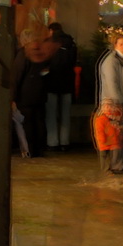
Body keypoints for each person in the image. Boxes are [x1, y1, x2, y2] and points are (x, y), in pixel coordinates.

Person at [96, 33, 123, 173]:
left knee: (122, 134)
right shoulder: (112, 61)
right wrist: (118, 103)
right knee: (115, 134)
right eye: (121, 44)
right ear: (115, 45)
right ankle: (115, 164)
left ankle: (121, 161)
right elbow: (112, 83)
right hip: (115, 104)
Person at [11, 30, 52, 158]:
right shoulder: (42, 53)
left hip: (25, 95)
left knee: (27, 123)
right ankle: (39, 149)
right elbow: (46, 73)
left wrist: (12, 97)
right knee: (39, 122)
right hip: (40, 95)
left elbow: (16, 76)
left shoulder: (24, 54)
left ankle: (30, 150)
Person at [46, 22, 78, 152]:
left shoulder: (48, 43)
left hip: (51, 83)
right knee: (65, 114)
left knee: (51, 115)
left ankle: (52, 142)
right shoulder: (71, 43)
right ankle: (65, 142)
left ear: (51, 31)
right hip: (67, 83)